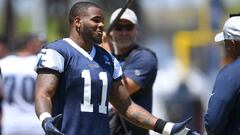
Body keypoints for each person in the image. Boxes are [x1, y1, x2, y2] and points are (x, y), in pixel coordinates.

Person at [34, 1, 199, 135]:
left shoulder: (107, 59)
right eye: (96, 20)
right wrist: (46, 120)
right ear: (78, 22)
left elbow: (126, 106)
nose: (101, 25)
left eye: (103, 21)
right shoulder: (57, 51)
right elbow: (43, 93)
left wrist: (166, 127)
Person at [101, 8, 157, 135]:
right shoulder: (100, 57)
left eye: (129, 27)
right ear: (110, 32)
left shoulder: (145, 58)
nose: (124, 32)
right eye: (118, 27)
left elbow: (122, 89)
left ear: (136, 30)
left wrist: (106, 53)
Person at [0, 33, 44, 134]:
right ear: (29, 45)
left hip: (10, 122)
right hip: (35, 122)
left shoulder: (3, 63)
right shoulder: (38, 62)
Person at [204, 16, 240, 135]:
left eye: (225, 43)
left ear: (233, 43)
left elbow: (213, 123)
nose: (225, 49)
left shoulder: (230, 73)